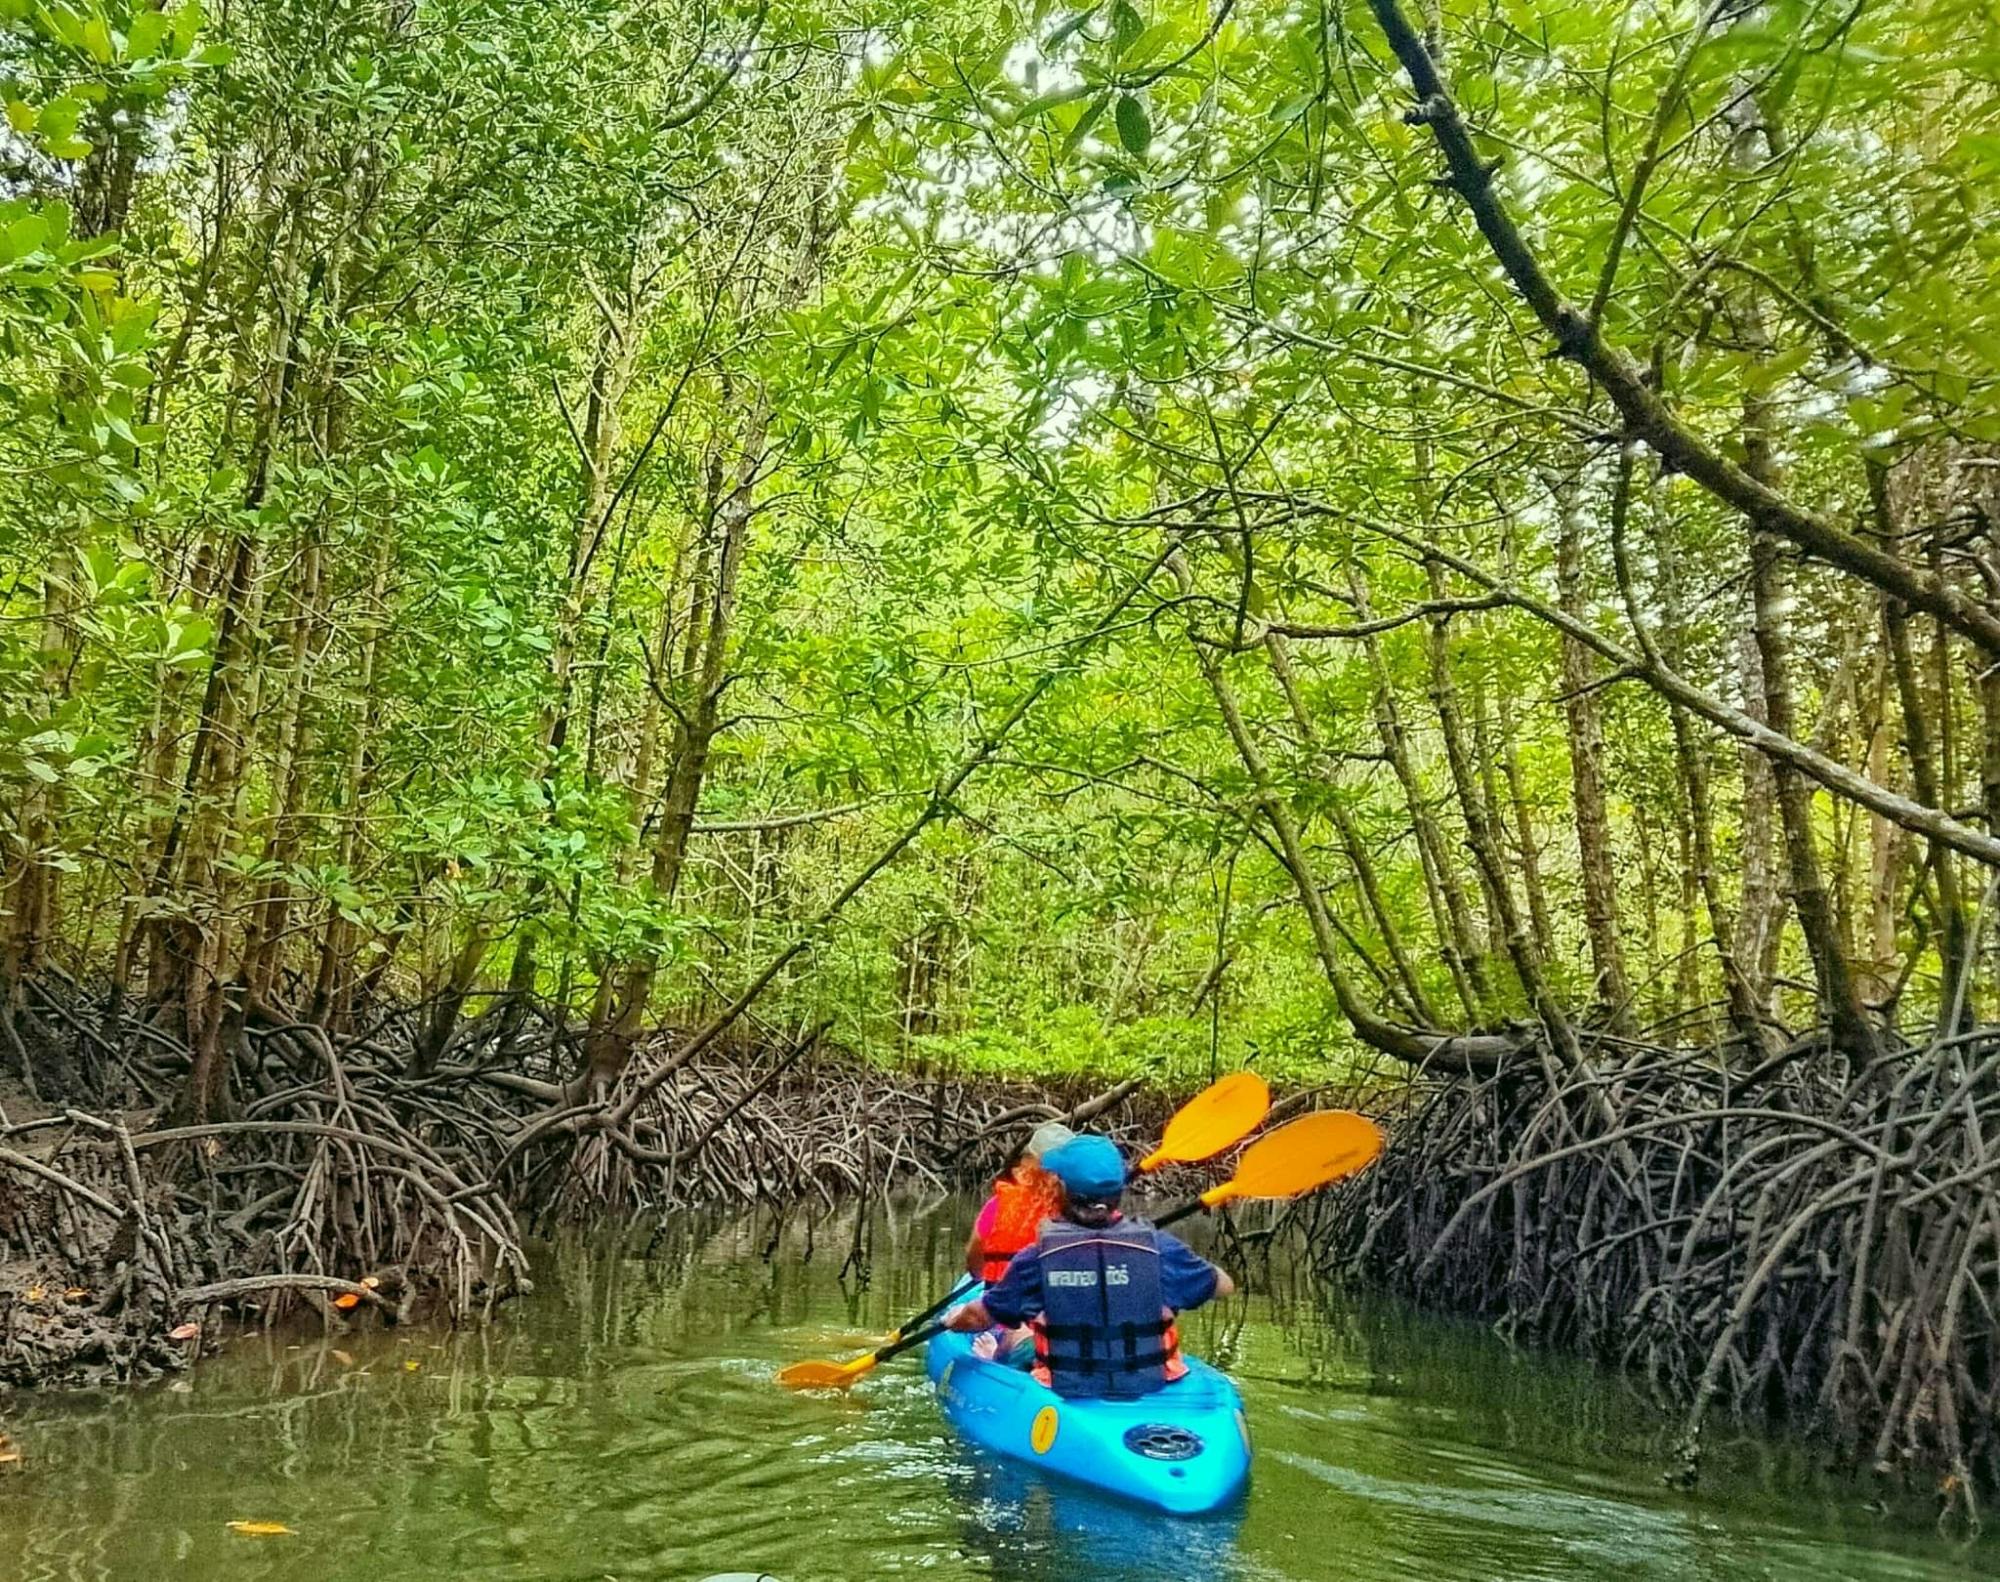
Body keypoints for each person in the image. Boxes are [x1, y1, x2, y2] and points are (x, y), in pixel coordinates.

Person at [945, 1133, 1235, 1400]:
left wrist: (954, 1320)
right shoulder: (1160, 1248)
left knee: (1021, 1331)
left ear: (1059, 1189)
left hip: (1065, 1382)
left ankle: (991, 1355)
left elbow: (980, 1318)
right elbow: (1223, 1286)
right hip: (1150, 1380)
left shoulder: (1036, 1259)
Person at [965, 1119, 1073, 1285]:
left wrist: (980, 1279)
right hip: (1055, 1300)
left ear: (1028, 1161)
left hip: (1000, 1298)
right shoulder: (1079, 1209)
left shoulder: (999, 1204)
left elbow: (974, 1252)